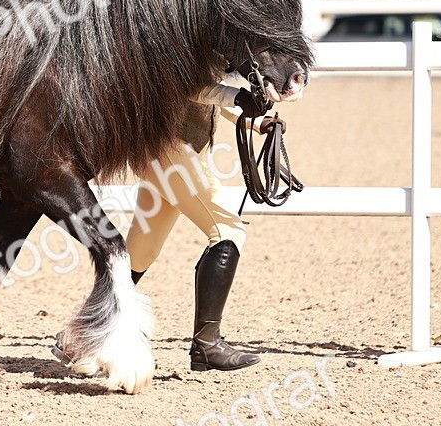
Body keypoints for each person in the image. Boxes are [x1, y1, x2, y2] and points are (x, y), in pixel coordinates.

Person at [54, 81, 281, 372]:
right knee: (227, 230)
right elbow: (190, 83)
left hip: (166, 154)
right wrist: (236, 96)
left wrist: (257, 122)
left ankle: (75, 339)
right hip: (173, 152)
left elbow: (208, 99)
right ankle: (207, 344)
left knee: (140, 252)